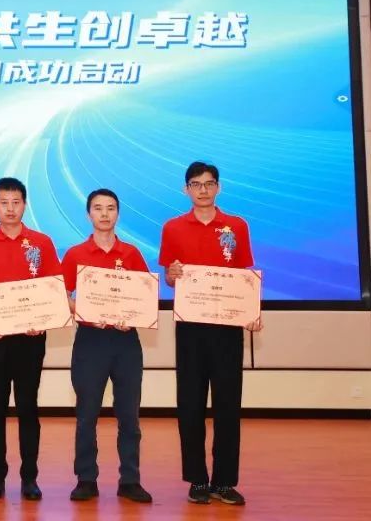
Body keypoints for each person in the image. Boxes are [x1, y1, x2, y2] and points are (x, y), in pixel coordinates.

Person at [160, 161, 260, 506]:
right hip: (190, 328)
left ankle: (224, 481)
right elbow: (169, 277)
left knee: (228, 405)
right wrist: (172, 275)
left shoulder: (237, 225)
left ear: (218, 187)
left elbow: (245, 276)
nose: (203, 190)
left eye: (209, 183)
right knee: (190, 405)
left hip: (227, 329)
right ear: (185, 189)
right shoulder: (173, 227)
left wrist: (251, 312)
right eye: (196, 184)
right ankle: (198, 480)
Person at [0, 177, 58, 501]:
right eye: (4, 203)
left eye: (16, 202)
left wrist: (43, 320)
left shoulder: (42, 243)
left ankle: (29, 477)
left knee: (28, 407)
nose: (10, 209)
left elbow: (53, 287)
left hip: (31, 339)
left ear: (25, 204)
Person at [61, 189, 152, 503]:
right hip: (91, 341)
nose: (104, 214)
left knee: (129, 416)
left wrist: (133, 317)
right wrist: (83, 311)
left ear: (118, 214)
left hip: (126, 342)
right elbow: (62, 295)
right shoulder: (75, 254)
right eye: (98, 208)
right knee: (87, 415)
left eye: (110, 208)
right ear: (89, 214)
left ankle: (130, 480)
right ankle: (86, 479)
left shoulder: (132, 254)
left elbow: (145, 297)